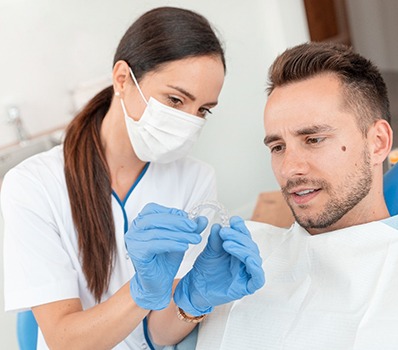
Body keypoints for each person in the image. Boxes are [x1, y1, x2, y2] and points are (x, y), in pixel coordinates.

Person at [171, 42, 398, 349]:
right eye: (277, 147)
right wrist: (186, 303)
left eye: (314, 139)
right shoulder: (241, 270)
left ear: (377, 142)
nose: (290, 168)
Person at [1, 7, 264, 350]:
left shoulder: (195, 179)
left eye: (202, 110)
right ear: (123, 79)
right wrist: (140, 293)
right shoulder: (33, 186)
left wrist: (194, 298)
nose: (189, 121)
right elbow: (63, 340)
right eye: (175, 100)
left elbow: (158, 334)